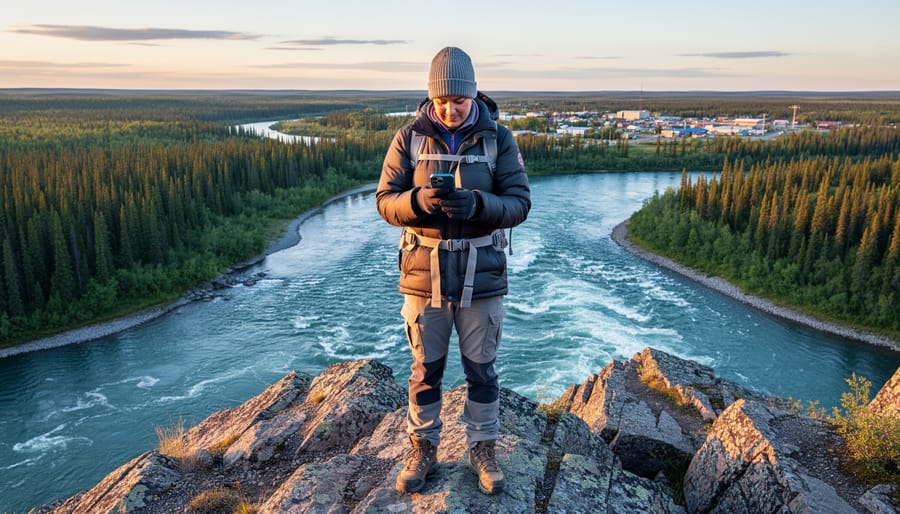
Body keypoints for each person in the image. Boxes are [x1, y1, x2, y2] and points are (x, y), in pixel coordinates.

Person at [376, 46, 531, 496]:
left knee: (481, 370)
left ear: (473, 95)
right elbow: (385, 200)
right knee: (426, 368)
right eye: (442, 101)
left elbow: (520, 203)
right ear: (431, 97)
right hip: (424, 276)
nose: (450, 109)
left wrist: (479, 205)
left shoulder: (499, 139)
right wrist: (417, 203)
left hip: (482, 277)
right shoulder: (408, 138)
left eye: (458, 101)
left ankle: (482, 447)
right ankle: (422, 447)